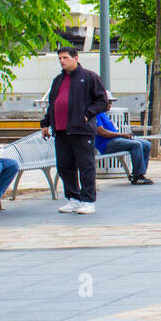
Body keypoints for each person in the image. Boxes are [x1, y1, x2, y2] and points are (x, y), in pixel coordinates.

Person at [40, 46, 109, 215]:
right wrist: (46, 123)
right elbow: (52, 104)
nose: (62, 61)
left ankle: (88, 200)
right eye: (60, 58)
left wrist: (87, 114)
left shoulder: (89, 77)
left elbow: (102, 101)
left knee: (86, 165)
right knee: (64, 166)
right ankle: (73, 198)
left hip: (81, 130)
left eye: (65, 57)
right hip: (61, 131)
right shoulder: (57, 80)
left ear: (75, 58)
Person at [94, 97, 153, 184]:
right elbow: (102, 132)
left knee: (146, 144)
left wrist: (123, 136)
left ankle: (141, 173)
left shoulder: (104, 114)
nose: (110, 106)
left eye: (111, 103)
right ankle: (137, 176)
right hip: (106, 144)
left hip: (117, 139)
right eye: (108, 103)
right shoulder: (96, 114)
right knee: (136, 145)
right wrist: (123, 135)